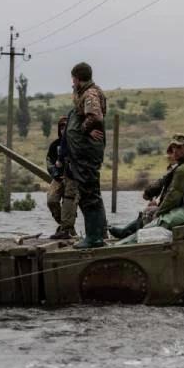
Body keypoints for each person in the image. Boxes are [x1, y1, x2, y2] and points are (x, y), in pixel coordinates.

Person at [118, 134, 184, 244]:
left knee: (152, 226)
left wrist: (158, 212)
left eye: (179, 147)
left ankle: (120, 246)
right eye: (173, 148)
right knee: (148, 216)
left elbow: (173, 196)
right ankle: (126, 237)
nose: (175, 151)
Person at [63, 62, 108, 248]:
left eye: (73, 79)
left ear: (78, 78)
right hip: (81, 153)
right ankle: (98, 234)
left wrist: (83, 129)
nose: (72, 83)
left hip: (87, 153)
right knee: (88, 191)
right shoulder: (83, 93)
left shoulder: (90, 94)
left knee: (89, 193)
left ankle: (94, 237)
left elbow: (95, 116)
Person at [45, 116, 79, 239]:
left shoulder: (76, 143)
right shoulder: (55, 145)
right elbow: (49, 161)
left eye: (66, 126)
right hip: (58, 177)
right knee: (51, 200)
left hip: (73, 178)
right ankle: (66, 226)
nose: (63, 129)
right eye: (61, 127)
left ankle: (66, 229)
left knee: (68, 203)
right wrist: (54, 172)